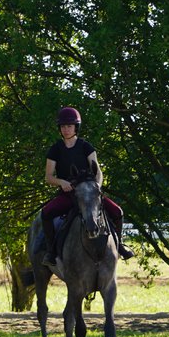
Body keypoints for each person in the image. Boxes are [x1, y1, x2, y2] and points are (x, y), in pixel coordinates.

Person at [41, 106, 134, 265]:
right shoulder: (55, 149)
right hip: (69, 195)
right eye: (63, 126)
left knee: (117, 212)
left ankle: (119, 245)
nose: (66, 129)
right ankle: (51, 252)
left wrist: (96, 187)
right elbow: (48, 177)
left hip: (90, 193)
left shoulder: (86, 146)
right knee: (46, 213)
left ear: (76, 127)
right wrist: (62, 182)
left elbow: (98, 171)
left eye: (69, 126)